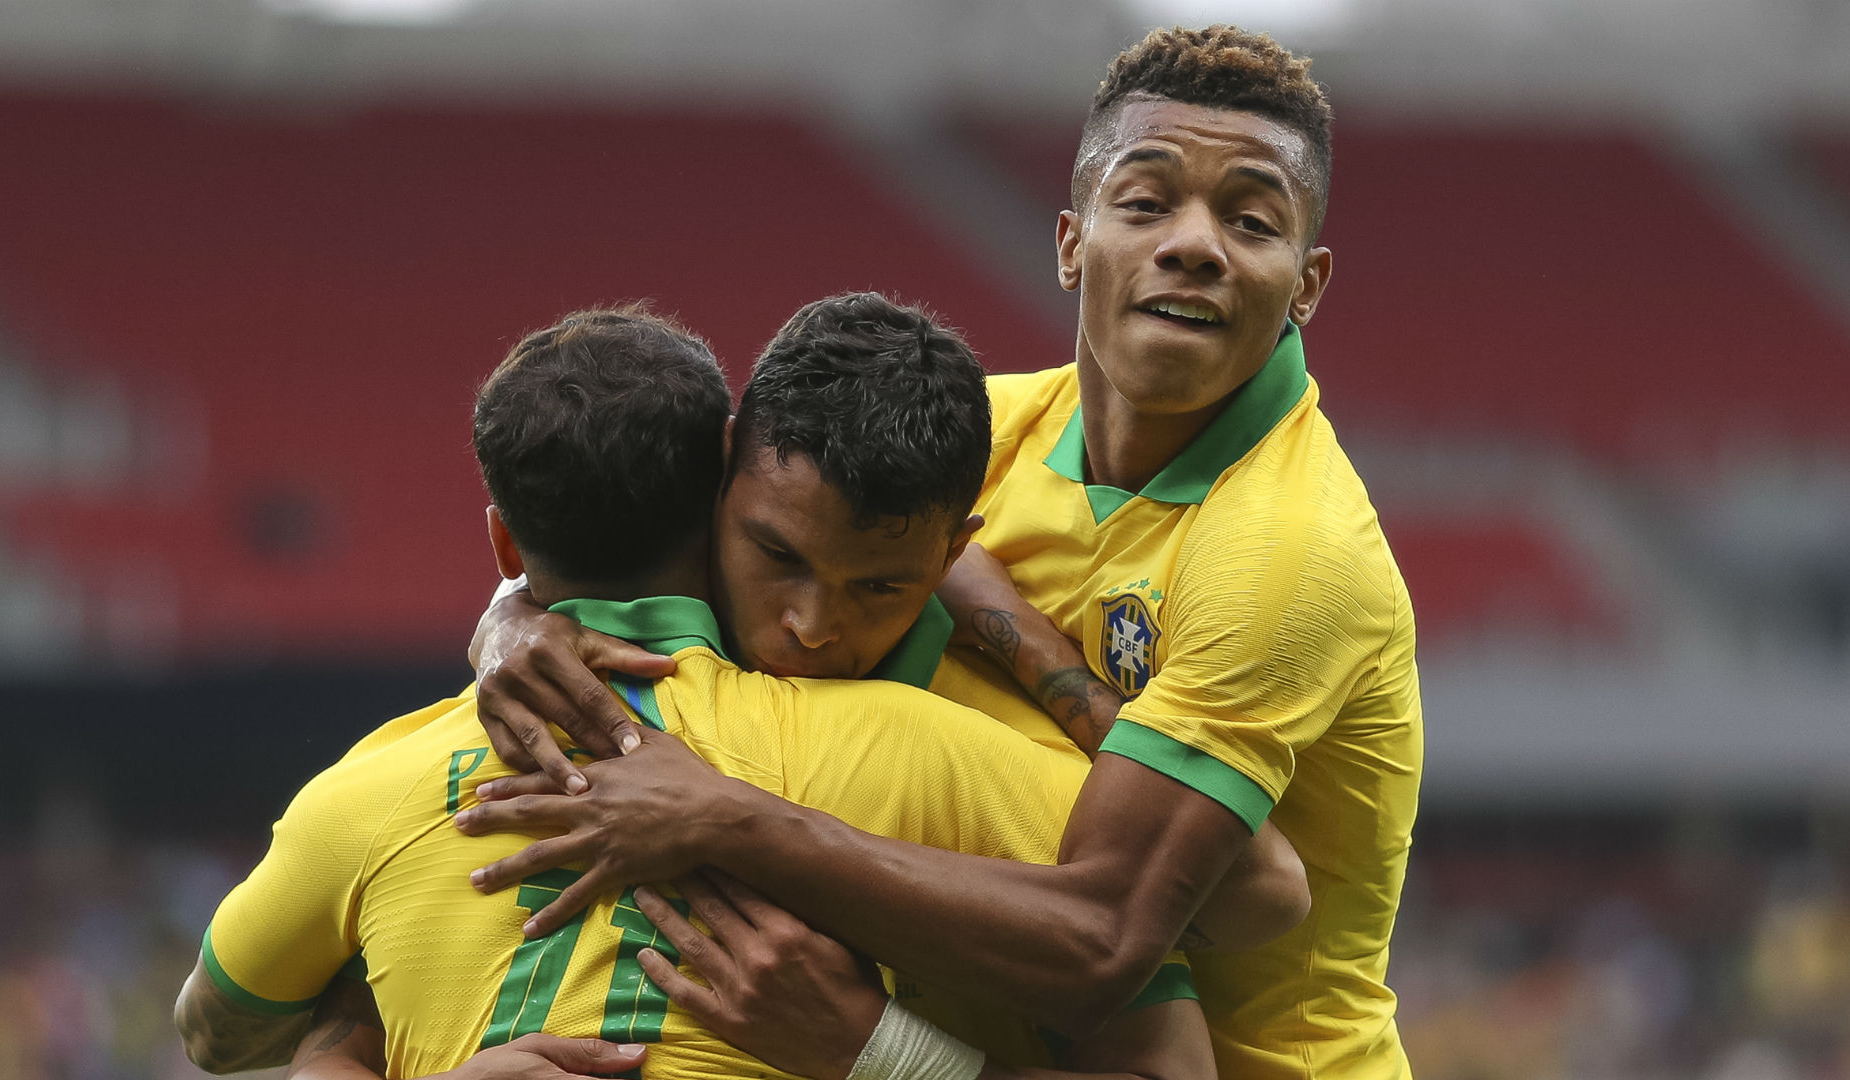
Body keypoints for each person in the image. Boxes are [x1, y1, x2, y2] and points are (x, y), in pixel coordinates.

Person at [463, 25, 1423, 1079]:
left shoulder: (1290, 552)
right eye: (1147, 202)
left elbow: (1102, 942)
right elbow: (700, 517)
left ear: (1307, 283)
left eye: (1251, 220)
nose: (1195, 244)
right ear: (1071, 243)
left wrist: (737, 831)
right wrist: (516, 614)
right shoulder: (976, 442)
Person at [176, 303, 1302, 1079]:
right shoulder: (922, 750)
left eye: (880, 586)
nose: (812, 627)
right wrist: (508, 618)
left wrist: (878, 1048)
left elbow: (1250, 890)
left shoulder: (374, 788)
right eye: (778, 557)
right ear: (725, 475)